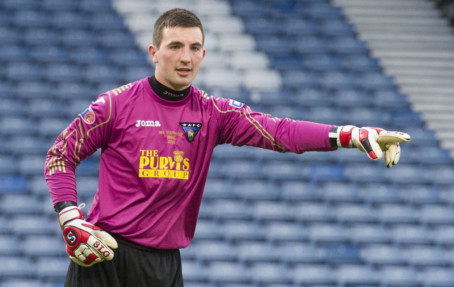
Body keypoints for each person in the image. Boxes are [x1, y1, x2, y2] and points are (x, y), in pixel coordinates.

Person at [44, 8, 410, 287]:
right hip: (103, 255)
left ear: (203, 54)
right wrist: (70, 220)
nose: (185, 57)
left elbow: (280, 132)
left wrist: (348, 134)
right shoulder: (116, 105)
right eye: (175, 47)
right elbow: (61, 154)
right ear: (154, 52)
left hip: (165, 265)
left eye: (194, 48)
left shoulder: (213, 113)